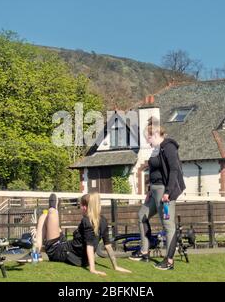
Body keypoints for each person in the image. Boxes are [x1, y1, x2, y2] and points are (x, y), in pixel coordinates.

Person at [129, 118, 186, 270]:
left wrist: (168, 192)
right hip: (154, 191)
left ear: (154, 134)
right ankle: (144, 251)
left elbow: (174, 170)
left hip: (164, 192)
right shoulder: (157, 148)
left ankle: (169, 261)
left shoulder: (168, 147)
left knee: (168, 226)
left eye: (147, 137)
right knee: (142, 216)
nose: (147, 141)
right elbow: (155, 171)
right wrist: (149, 190)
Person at [33, 193, 131, 276]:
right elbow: (108, 245)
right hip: (66, 247)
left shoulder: (86, 221)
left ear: (87, 207)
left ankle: (36, 250)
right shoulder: (103, 221)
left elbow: (90, 246)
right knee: (52, 223)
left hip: (58, 250)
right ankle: (37, 248)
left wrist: (92, 269)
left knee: (47, 215)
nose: (81, 208)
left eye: (82, 205)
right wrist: (115, 266)